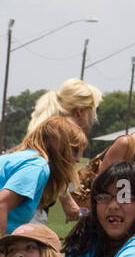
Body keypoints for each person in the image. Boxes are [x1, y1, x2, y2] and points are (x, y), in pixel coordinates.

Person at [0, 117, 85, 248]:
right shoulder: (38, 165)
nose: (78, 159)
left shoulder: (17, 156)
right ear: (59, 147)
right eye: (74, 150)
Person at [26, 79, 104, 220]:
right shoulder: (58, 137)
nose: (93, 120)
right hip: (29, 213)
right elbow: (52, 167)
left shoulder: (45, 131)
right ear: (80, 111)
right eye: (92, 112)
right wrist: (68, 201)